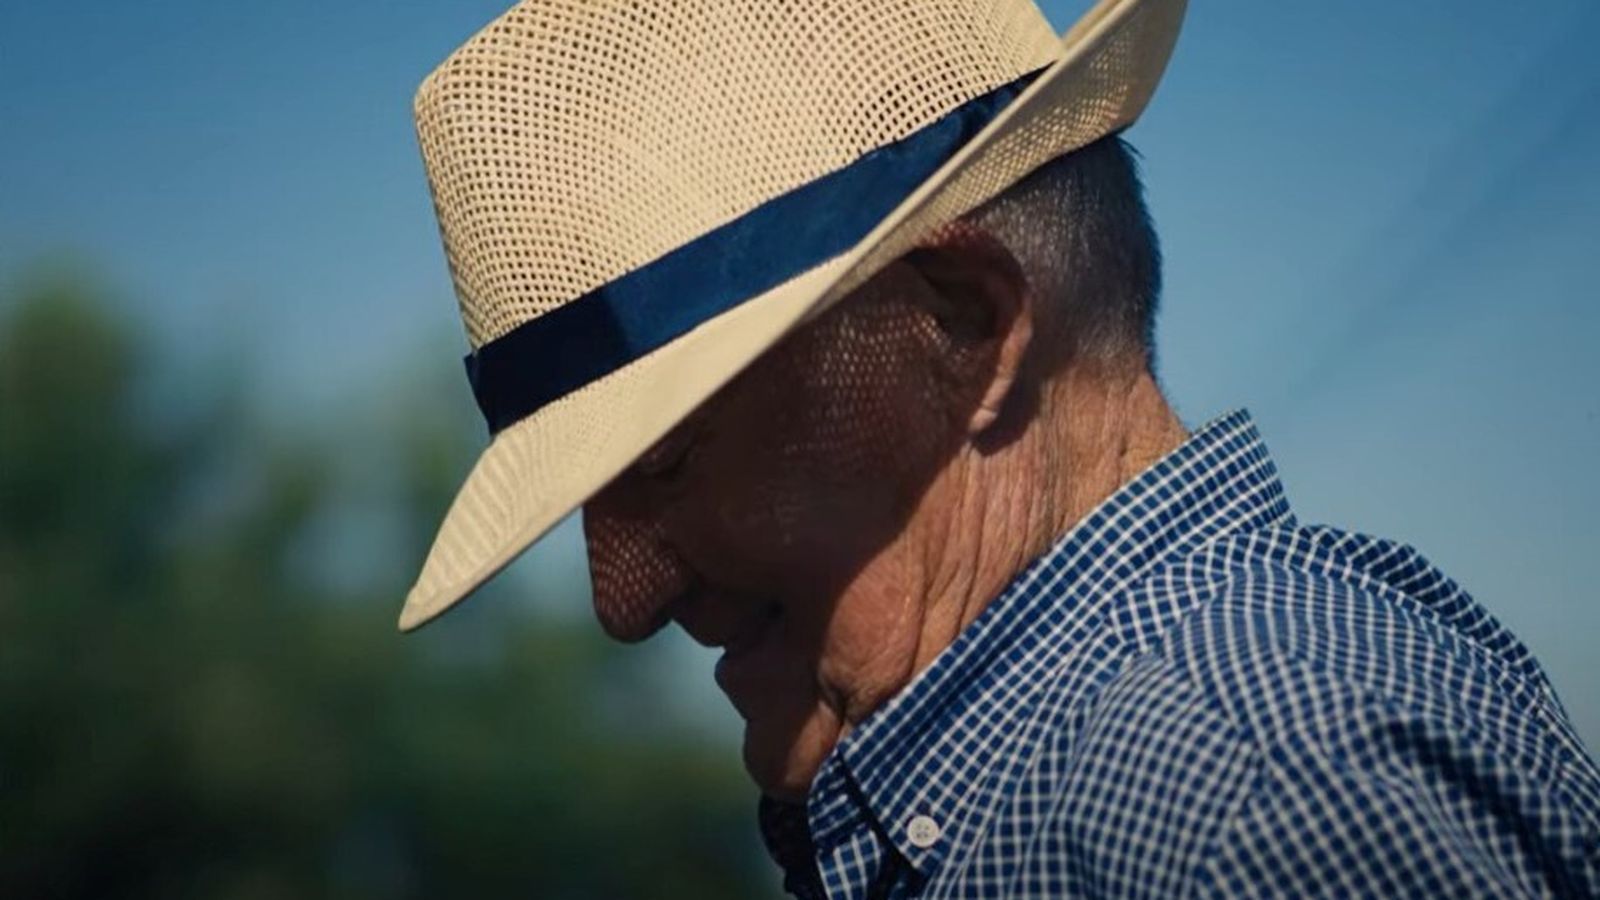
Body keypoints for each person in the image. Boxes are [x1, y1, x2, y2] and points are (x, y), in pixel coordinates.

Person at [397, 0, 1600, 895]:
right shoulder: (1149, 780)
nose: (622, 600)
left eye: (665, 458)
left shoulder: (1250, 793)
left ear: (966, 324)